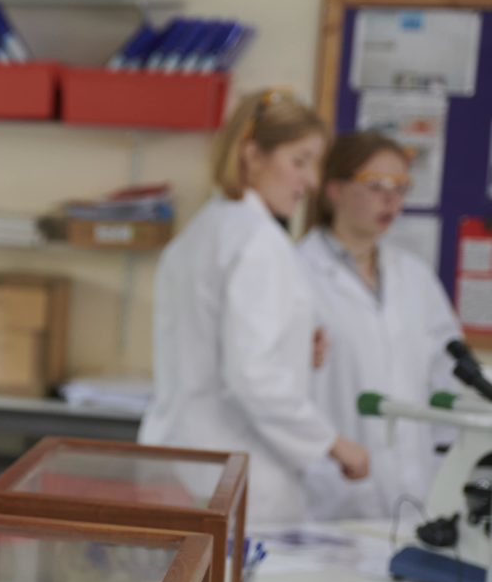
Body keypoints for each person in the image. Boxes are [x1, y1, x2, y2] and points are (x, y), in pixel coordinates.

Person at [140, 88, 369, 524]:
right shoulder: (258, 241)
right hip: (237, 468)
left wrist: (293, 346)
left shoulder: (204, 230)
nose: (312, 182)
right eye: (299, 161)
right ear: (252, 155)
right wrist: (333, 444)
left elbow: (210, 345)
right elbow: (252, 375)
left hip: (184, 456)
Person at [300, 131, 462, 521]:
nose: (391, 199)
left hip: (418, 491)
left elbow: (448, 378)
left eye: (401, 187)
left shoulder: (415, 277)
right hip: (333, 491)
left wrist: (448, 464)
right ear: (335, 190)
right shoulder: (296, 272)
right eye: (376, 186)